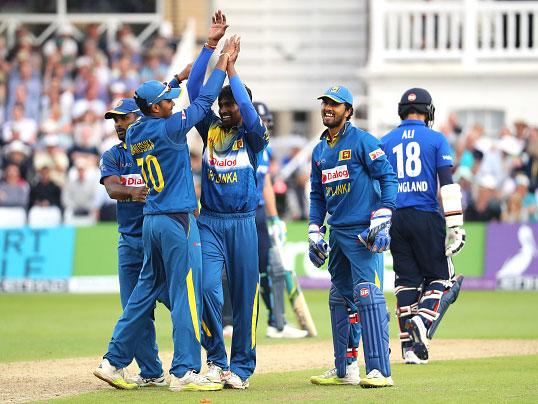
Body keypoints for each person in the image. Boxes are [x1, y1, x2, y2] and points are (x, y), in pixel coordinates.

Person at [93, 33, 237, 392]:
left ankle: (111, 361)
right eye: (168, 102)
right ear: (156, 108)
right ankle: (184, 371)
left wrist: (180, 76)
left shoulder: (137, 130)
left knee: (142, 296)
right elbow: (204, 101)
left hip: (152, 222)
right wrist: (221, 62)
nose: (174, 104)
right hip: (176, 219)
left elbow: (153, 103)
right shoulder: (171, 128)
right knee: (185, 294)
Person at [187, 13, 268, 389]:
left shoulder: (253, 136)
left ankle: (242, 368)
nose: (225, 108)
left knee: (244, 296)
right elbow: (193, 92)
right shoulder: (210, 129)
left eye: (231, 103)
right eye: (222, 102)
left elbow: (251, 116)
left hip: (243, 224)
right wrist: (211, 47)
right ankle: (216, 362)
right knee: (206, 288)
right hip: (211, 222)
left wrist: (233, 73)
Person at [308, 85, 397, 388]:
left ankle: (380, 370)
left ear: (348, 110)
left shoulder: (362, 141)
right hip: (337, 233)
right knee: (339, 299)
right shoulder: (320, 150)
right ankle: (346, 369)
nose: (328, 109)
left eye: (335, 104)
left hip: (362, 234)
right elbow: (317, 195)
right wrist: (314, 230)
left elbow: (388, 177)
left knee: (367, 297)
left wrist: (384, 216)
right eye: (325, 104)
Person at [380, 88, 465, 365]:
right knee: (441, 278)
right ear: (429, 112)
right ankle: (422, 318)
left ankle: (410, 350)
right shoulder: (436, 139)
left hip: (395, 218)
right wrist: (455, 224)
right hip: (425, 215)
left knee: (406, 283)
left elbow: (377, 185)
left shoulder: (385, 141)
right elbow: (447, 185)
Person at [220, 102, 308, 340]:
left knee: (272, 270)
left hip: (259, 215)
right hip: (236, 214)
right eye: (263, 121)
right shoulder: (230, 143)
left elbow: (266, 183)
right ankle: (226, 321)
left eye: (268, 121)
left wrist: (274, 218)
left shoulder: (264, 149)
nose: (266, 126)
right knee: (228, 269)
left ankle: (276, 323)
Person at [98, 97, 166, 387]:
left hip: (160, 239)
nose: (118, 125)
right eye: (115, 120)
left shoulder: (157, 148)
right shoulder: (113, 155)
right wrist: (135, 191)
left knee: (181, 304)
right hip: (129, 241)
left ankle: (214, 360)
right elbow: (112, 189)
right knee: (133, 309)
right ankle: (152, 373)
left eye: (123, 118)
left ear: (138, 118)